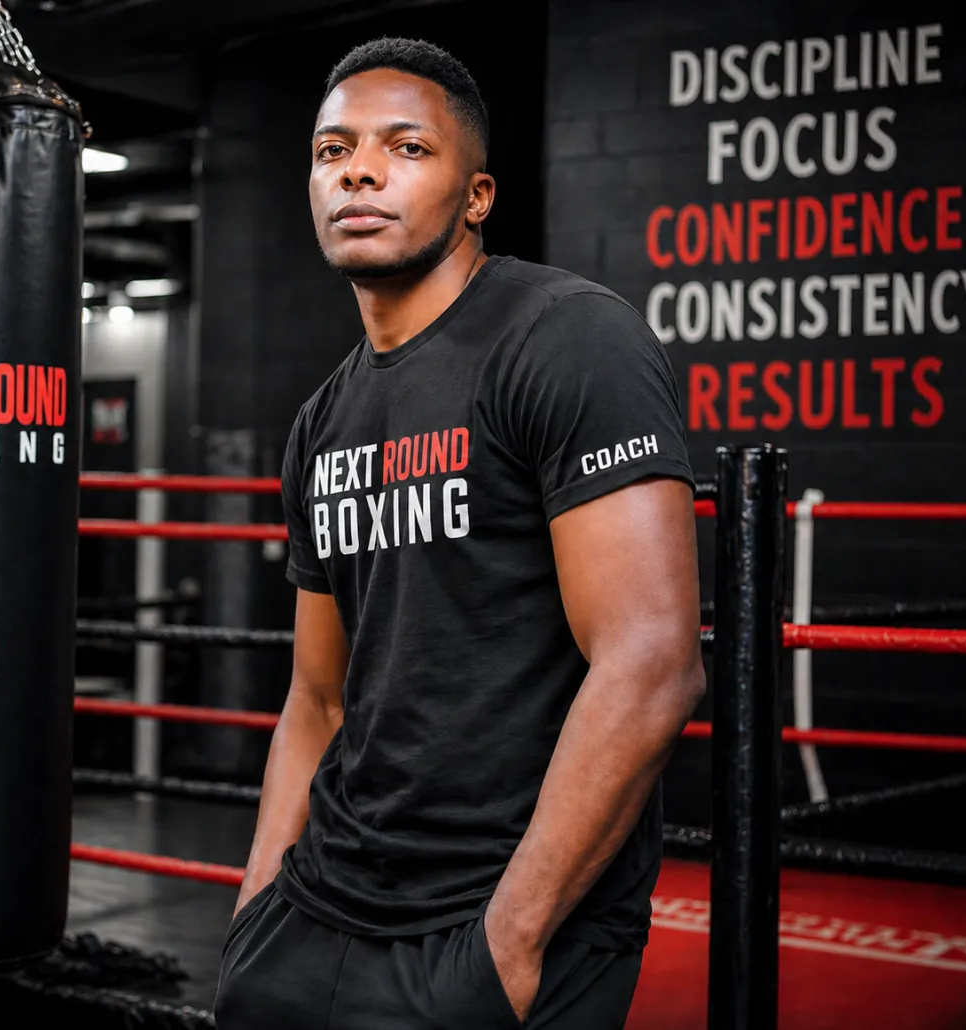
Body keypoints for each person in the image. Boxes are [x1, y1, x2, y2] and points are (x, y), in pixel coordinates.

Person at [215, 36, 705, 1030]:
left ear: (476, 195)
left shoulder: (565, 337)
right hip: (318, 906)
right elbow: (316, 693)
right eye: (332, 149)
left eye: (405, 147)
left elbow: (651, 662)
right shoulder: (324, 418)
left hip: (493, 924)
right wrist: (255, 906)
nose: (358, 167)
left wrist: (510, 942)